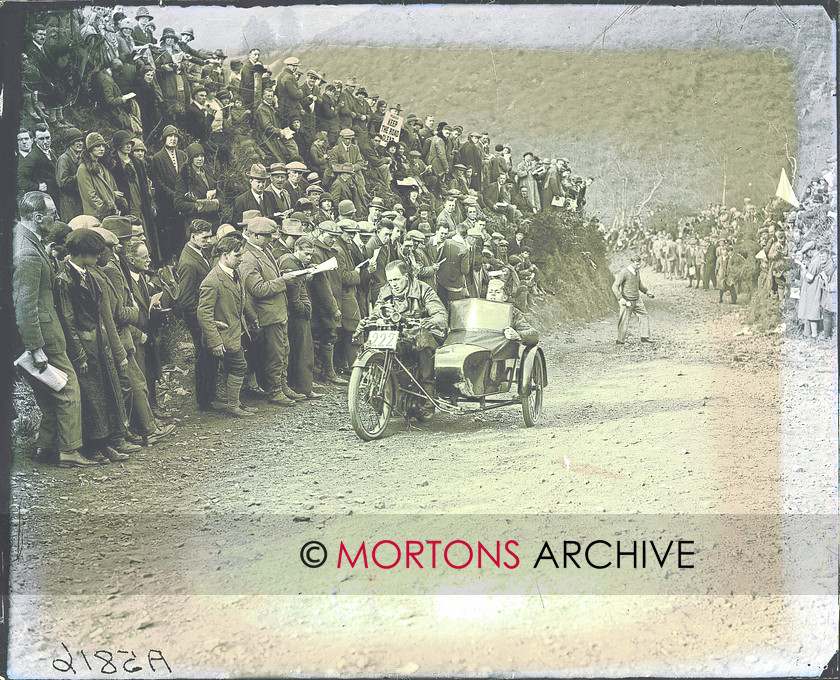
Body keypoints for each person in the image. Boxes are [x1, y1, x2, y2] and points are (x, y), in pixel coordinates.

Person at [13, 192, 94, 467]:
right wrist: (35, 348)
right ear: (37, 218)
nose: (56, 219)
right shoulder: (26, 253)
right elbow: (25, 305)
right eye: (52, 214)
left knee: (49, 393)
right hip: (45, 336)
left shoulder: (27, 241)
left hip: (42, 332)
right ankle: (69, 451)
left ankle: (44, 447)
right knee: (68, 388)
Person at [54, 228, 130, 464]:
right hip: (84, 347)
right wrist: (79, 355)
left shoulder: (88, 274)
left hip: (98, 343)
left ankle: (106, 443)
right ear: (83, 253)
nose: (99, 258)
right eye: (95, 254)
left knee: (104, 393)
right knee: (91, 398)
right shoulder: (64, 280)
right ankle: (93, 447)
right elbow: (67, 321)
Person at [239, 216, 306, 406]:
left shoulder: (264, 250)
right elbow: (257, 289)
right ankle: (275, 391)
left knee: (284, 351)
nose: (272, 239)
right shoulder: (248, 258)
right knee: (275, 355)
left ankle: (282, 386)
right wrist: (283, 281)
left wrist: (282, 278)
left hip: (278, 312)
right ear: (254, 236)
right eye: (268, 236)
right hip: (268, 314)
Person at [370, 260, 447, 414]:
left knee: (423, 341)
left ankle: (428, 394)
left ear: (407, 276)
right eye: (390, 280)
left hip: (421, 333)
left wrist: (432, 320)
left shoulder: (423, 289)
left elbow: (440, 313)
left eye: (396, 279)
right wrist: (375, 317)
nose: (393, 284)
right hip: (396, 334)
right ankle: (376, 387)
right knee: (373, 345)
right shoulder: (386, 291)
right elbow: (377, 309)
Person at [197, 233, 258, 417]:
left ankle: (235, 402)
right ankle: (233, 406)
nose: (241, 259)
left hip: (237, 331)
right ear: (224, 255)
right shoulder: (212, 281)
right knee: (239, 366)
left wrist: (251, 317)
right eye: (237, 255)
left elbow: (242, 298)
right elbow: (203, 314)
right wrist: (215, 341)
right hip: (223, 335)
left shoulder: (234, 273)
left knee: (234, 368)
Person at [176, 219, 217, 411]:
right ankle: (205, 401)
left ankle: (210, 396)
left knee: (209, 357)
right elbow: (185, 300)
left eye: (210, 236)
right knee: (204, 358)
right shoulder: (189, 262)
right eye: (204, 237)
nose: (208, 240)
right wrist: (200, 322)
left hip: (204, 315)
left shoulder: (200, 252)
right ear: (193, 236)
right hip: (199, 318)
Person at [612, 253, 655, 345]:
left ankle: (644, 337)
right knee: (624, 320)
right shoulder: (624, 272)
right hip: (627, 300)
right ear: (631, 263)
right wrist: (620, 299)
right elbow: (615, 286)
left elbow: (639, 285)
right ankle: (620, 340)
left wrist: (647, 291)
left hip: (637, 299)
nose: (639, 266)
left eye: (639, 264)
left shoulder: (637, 272)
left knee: (644, 316)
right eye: (636, 264)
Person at [485, 278, 539, 345]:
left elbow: (534, 335)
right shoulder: (478, 311)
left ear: (504, 298)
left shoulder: (512, 313)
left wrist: (517, 335)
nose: (493, 294)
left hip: (501, 348)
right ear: (486, 296)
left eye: (497, 292)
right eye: (490, 292)